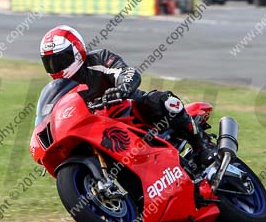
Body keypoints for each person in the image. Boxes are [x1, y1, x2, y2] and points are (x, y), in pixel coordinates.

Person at [39, 25, 216, 170]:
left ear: (76, 51)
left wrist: (122, 88)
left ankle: (203, 146)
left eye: (60, 60)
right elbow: (51, 116)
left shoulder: (99, 60)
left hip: (128, 111)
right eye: (50, 63)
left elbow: (126, 72)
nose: (56, 68)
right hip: (98, 130)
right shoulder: (60, 89)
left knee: (162, 101)